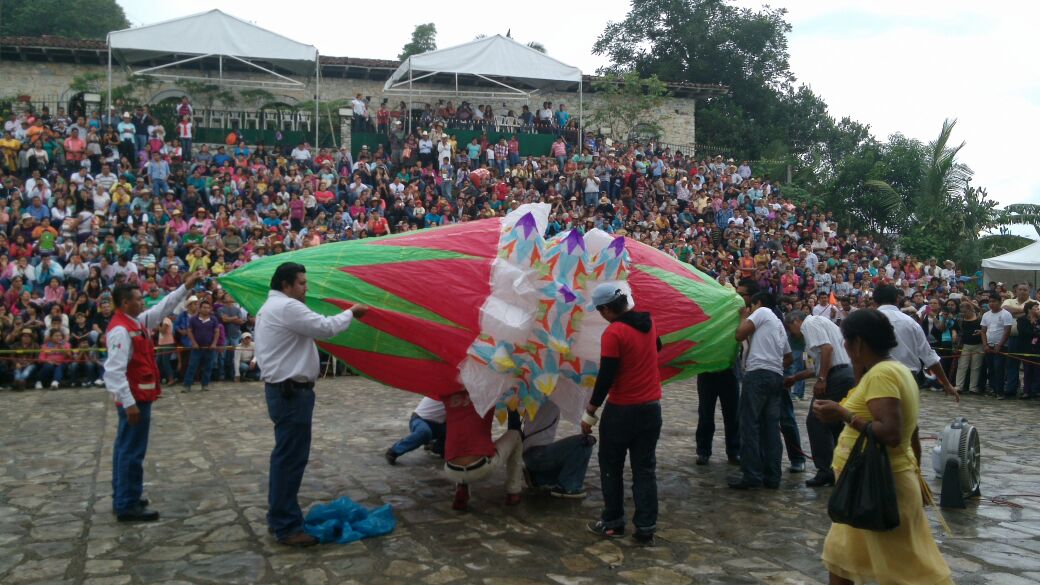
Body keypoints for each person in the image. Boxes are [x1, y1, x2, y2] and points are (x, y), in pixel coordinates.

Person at [813, 309, 952, 585]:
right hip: (858, 487)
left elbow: (891, 432)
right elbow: (913, 433)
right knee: (840, 559)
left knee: (912, 571)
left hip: (881, 486)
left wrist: (843, 414)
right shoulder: (892, 370)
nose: (844, 346)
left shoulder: (883, 375)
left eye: (846, 340)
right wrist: (919, 474)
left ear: (859, 343)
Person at [254, 262, 368, 547]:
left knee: (285, 457)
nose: (306, 288)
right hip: (292, 394)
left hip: (284, 391)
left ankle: (279, 517)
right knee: (290, 460)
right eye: (302, 283)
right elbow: (325, 327)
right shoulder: (287, 308)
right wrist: (352, 312)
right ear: (286, 285)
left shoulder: (270, 307)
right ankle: (287, 526)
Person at [103, 269, 203, 522]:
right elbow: (114, 372)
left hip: (139, 396)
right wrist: (129, 404)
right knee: (131, 451)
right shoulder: (121, 330)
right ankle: (127, 503)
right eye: (138, 299)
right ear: (125, 303)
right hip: (135, 399)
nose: (142, 302)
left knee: (125, 448)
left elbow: (162, 308)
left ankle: (125, 496)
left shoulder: (134, 322)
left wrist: (185, 287)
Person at [582, 283, 662, 545]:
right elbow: (657, 347)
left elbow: (606, 376)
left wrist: (591, 410)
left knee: (611, 467)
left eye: (600, 310)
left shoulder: (614, 333)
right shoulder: (648, 323)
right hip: (651, 408)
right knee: (645, 468)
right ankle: (646, 527)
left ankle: (614, 522)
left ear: (607, 308)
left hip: (622, 411)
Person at [783, 310, 856, 487]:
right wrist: (794, 378)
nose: (794, 335)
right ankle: (839, 467)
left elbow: (827, 349)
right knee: (835, 422)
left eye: (791, 330)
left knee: (816, 420)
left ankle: (826, 471)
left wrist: (822, 379)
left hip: (836, 375)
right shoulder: (820, 324)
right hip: (845, 373)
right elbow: (814, 367)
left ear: (795, 322)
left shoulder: (810, 324)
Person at [730, 291, 791, 490]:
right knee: (771, 428)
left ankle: (752, 475)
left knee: (750, 425)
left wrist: (743, 316)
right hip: (776, 376)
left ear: (759, 303)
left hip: (757, 375)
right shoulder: (779, 324)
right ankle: (773, 476)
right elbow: (788, 356)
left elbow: (740, 334)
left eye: (752, 304)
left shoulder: (762, 312)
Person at [442, 390, 525, 511]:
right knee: (515, 434)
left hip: (451, 469)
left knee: (461, 445)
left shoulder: (446, 395)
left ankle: (462, 488)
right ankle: (513, 492)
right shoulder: (490, 392)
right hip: (480, 467)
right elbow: (512, 398)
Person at [874, 285, 959, 401]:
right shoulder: (911, 323)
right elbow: (929, 356)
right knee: (905, 417)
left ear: (874, 300)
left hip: (876, 377)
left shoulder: (867, 320)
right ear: (898, 299)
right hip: (907, 377)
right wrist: (946, 383)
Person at [522, 399, 595, 498]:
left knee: (574, 450)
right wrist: (590, 417)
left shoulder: (535, 397)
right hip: (537, 455)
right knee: (584, 442)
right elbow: (579, 409)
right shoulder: (550, 398)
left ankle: (539, 477)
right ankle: (569, 487)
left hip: (530, 455)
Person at [694, 365, 740, 466]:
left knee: (732, 415)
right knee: (705, 415)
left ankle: (734, 451)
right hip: (706, 370)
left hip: (729, 371)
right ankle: (703, 451)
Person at [385, 397, 447, 464]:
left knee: (455, 433)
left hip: (439, 424)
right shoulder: (443, 391)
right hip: (420, 419)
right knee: (424, 432)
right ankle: (394, 451)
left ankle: (434, 446)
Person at [980, 295, 1013, 398]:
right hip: (988, 346)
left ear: (1000, 302)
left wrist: (1000, 345)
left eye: (994, 301)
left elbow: (1007, 331)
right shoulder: (986, 315)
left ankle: (1000, 391)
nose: (991, 304)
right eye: (990, 301)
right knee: (991, 368)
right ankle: (993, 389)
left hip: (1000, 346)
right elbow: (983, 331)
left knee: (999, 368)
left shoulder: (1006, 314)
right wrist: (985, 345)